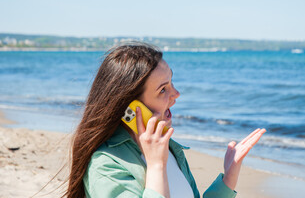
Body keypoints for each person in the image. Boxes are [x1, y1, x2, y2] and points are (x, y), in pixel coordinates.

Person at [65, 42, 266, 198]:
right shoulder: (106, 164)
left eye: (172, 82)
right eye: (163, 89)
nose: (176, 94)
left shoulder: (169, 148)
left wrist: (228, 178)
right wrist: (155, 167)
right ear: (131, 108)